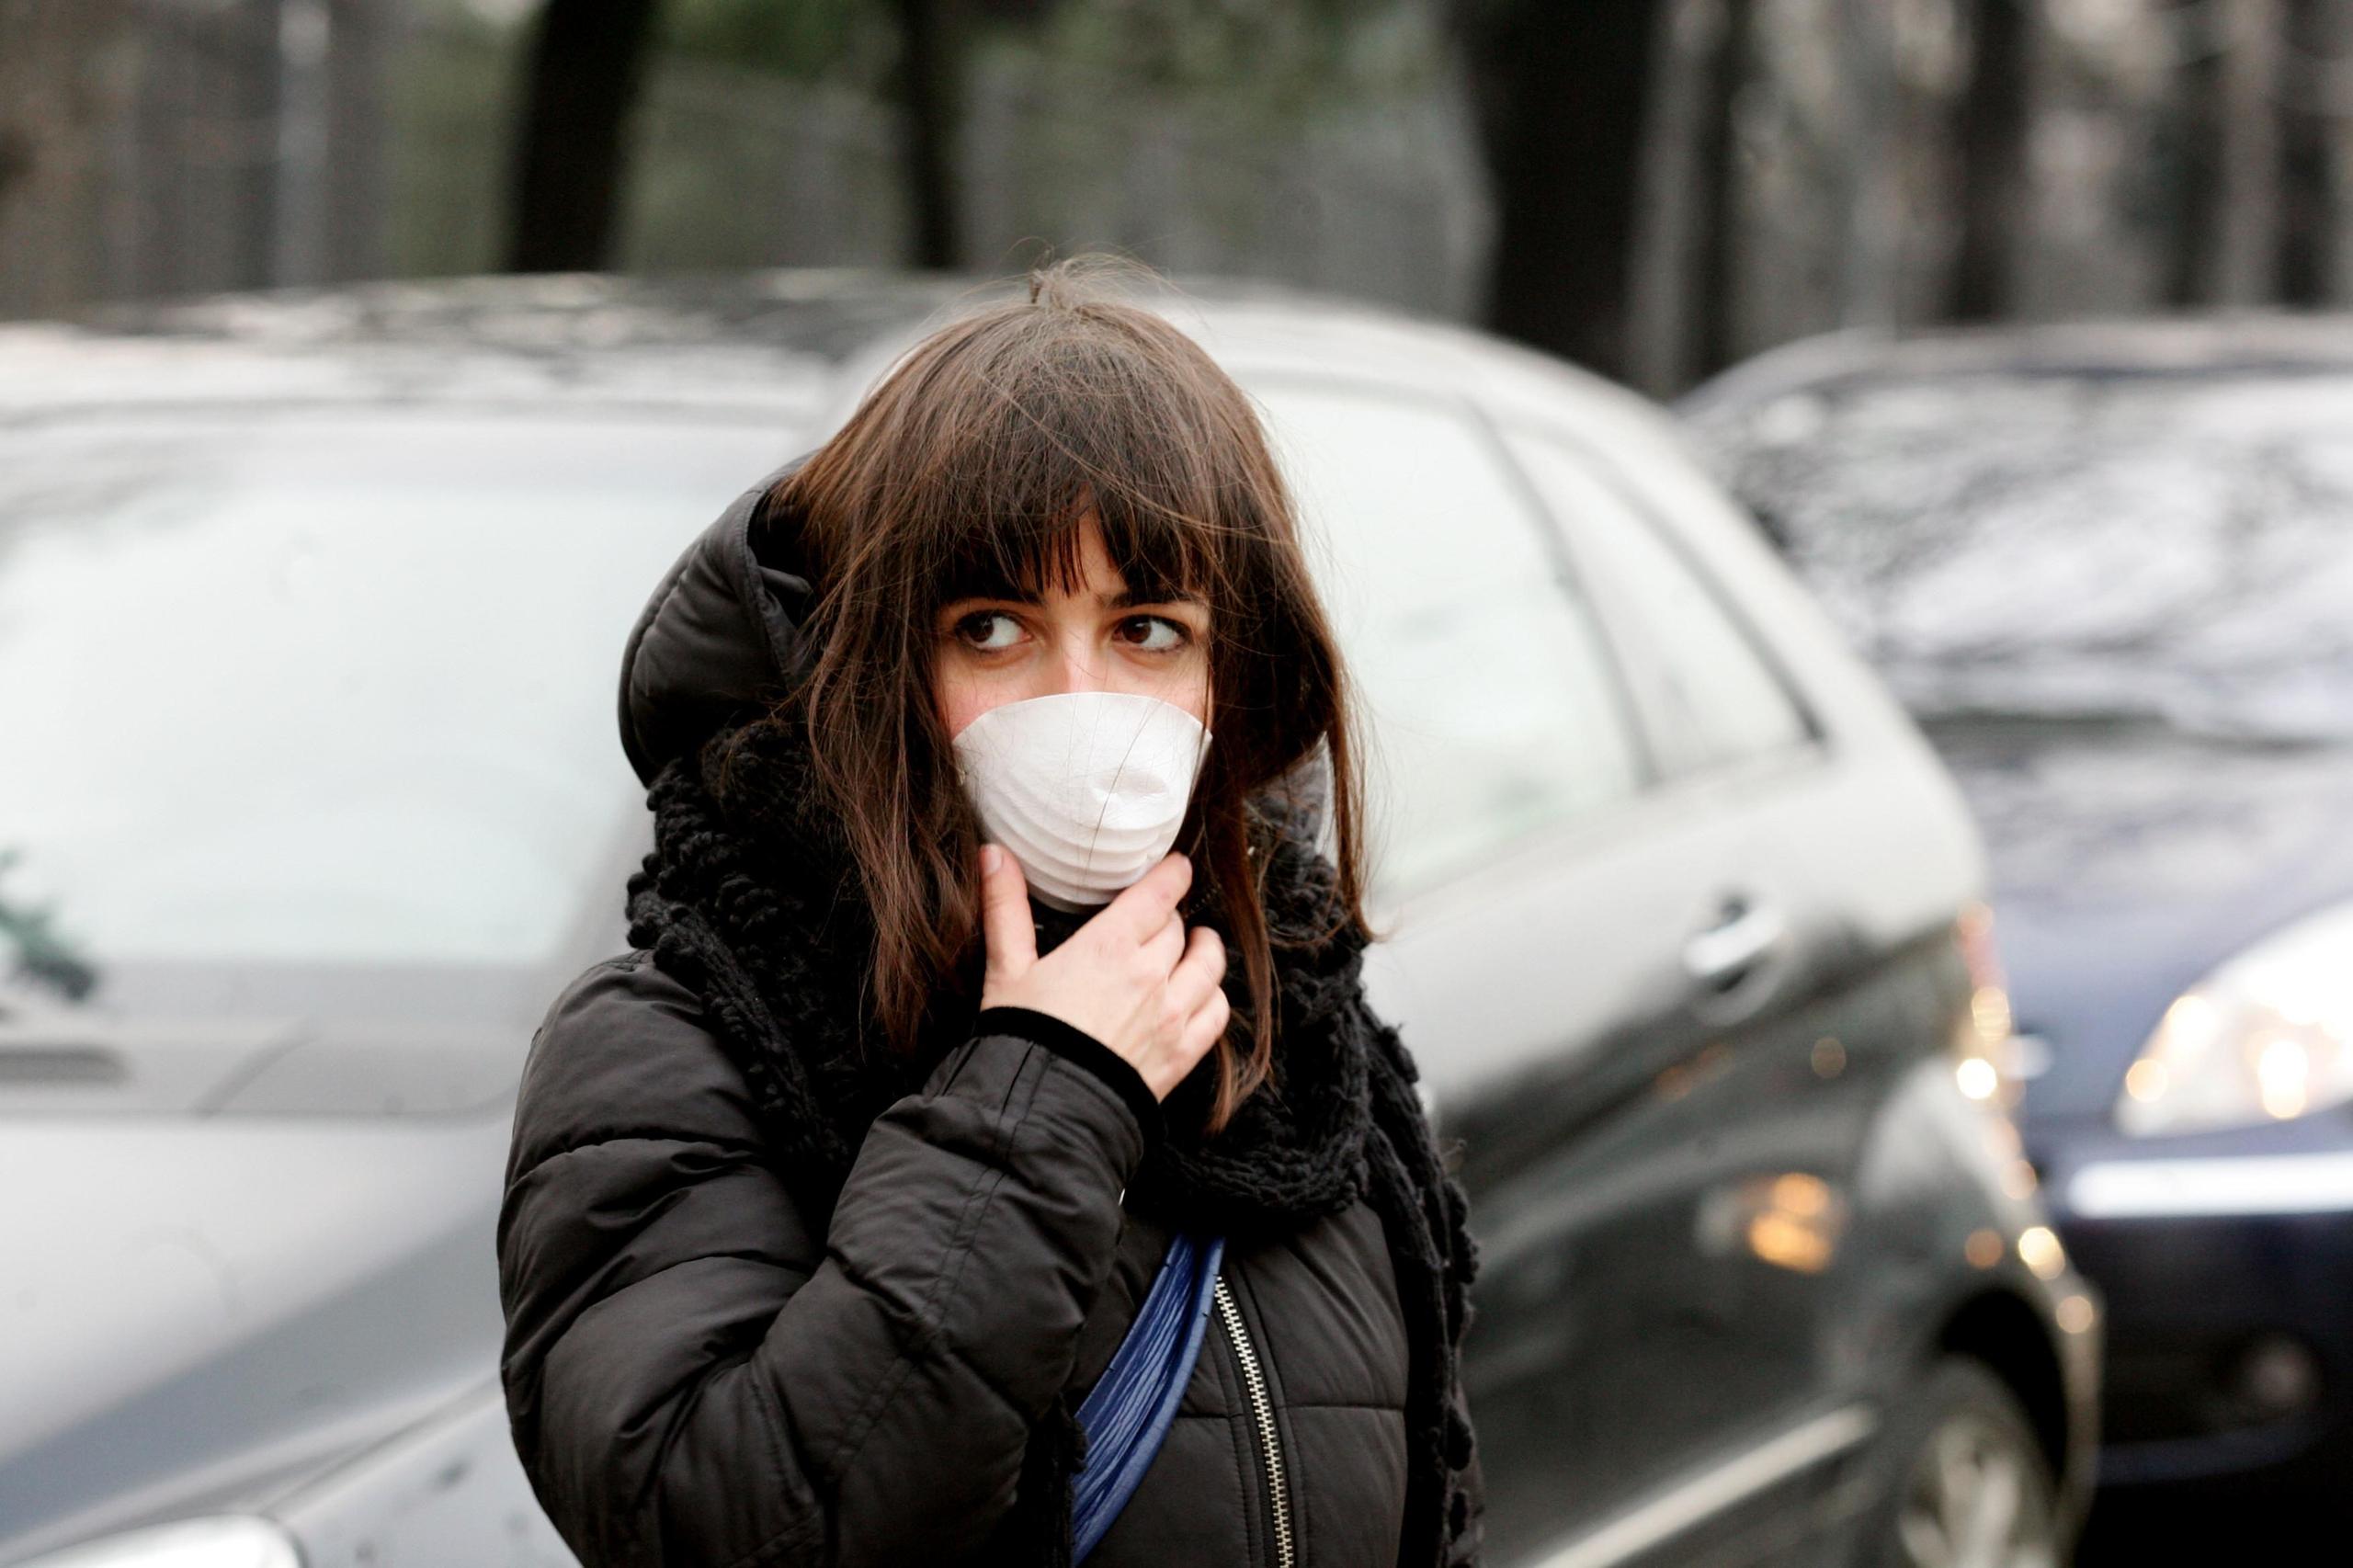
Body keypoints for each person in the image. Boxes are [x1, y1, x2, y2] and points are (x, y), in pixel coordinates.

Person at [494, 253, 1484, 1568]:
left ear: (1227, 675)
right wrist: (1047, 1089)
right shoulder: (679, 1041)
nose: (1077, 695)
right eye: (996, 628)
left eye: (1145, 630)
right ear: (884, 664)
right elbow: (723, 1523)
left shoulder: (1286, 1018)